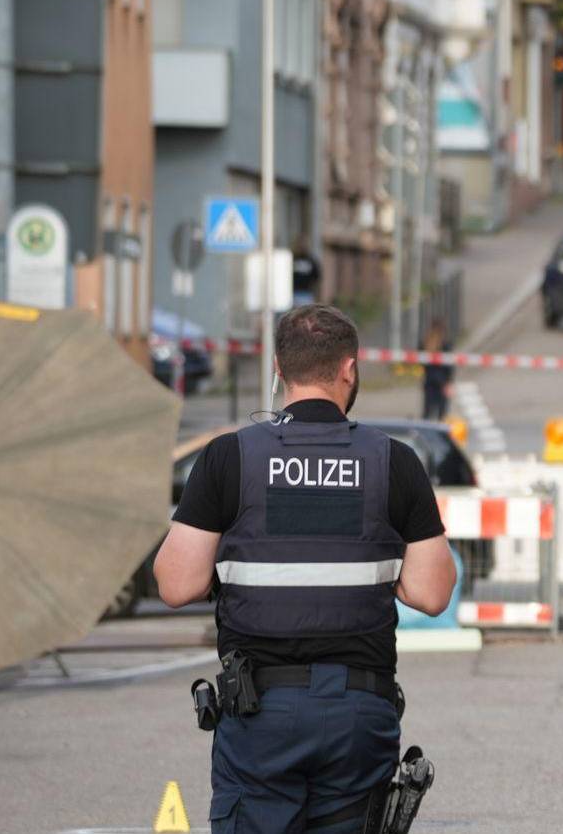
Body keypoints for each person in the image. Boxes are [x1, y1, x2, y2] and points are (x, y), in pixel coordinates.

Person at [155, 304, 458, 833]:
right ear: (349, 369)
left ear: (277, 368)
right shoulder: (394, 461)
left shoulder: (230, 458)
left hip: (260, 716)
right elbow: (432, 595)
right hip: (359, 716)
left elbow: (177, 585)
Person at [420, 320, 453, 421]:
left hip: (429, 381)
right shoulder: (445, 345)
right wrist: (448, 382)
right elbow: (449, 366)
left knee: (427, 413)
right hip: (442, 382)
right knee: (442, 415)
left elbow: (422, 363)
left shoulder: (425, 344)